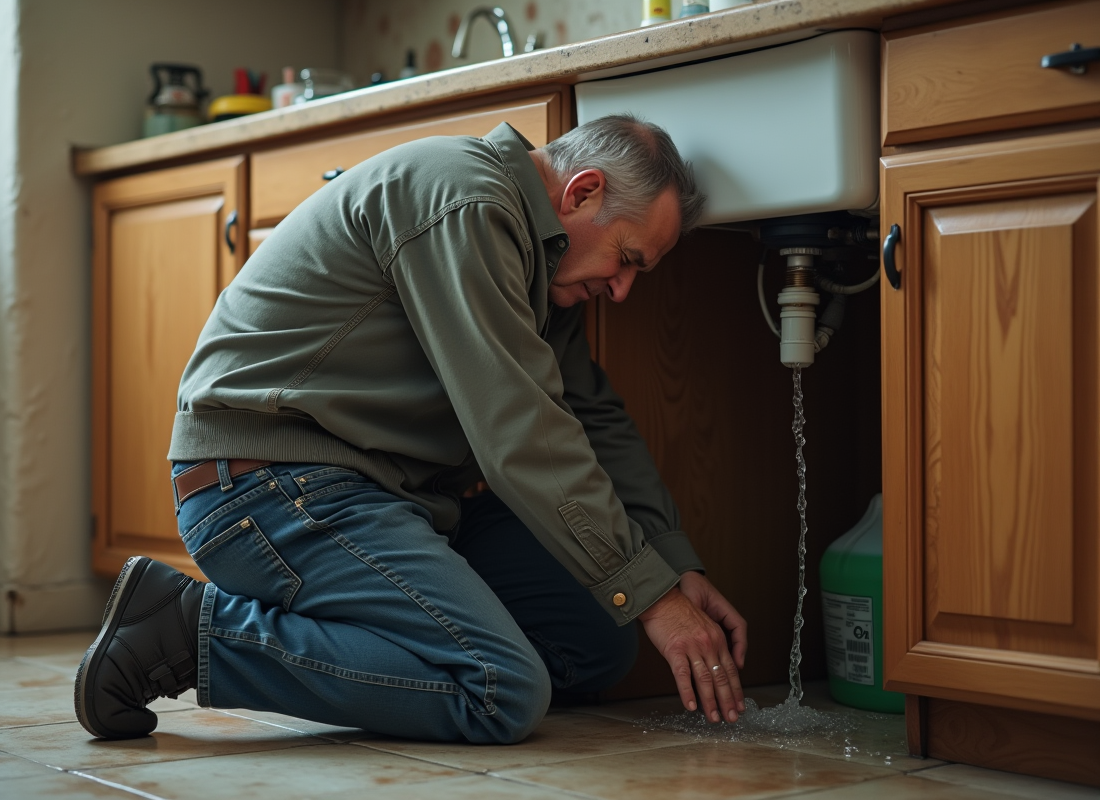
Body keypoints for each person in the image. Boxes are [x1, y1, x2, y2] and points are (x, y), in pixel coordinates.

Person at [74, 114, 748, 744]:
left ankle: (423, 653)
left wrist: (667, 562)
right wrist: (653, 599)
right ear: (582, 192)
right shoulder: (466, 198)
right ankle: (189, 631)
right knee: (503, 692)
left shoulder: (539, 263)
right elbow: (518, 431)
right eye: (628, 258)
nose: (623, 290)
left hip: (378, 495)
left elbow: (591, 416)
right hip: (267, 489)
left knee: (598, 637)